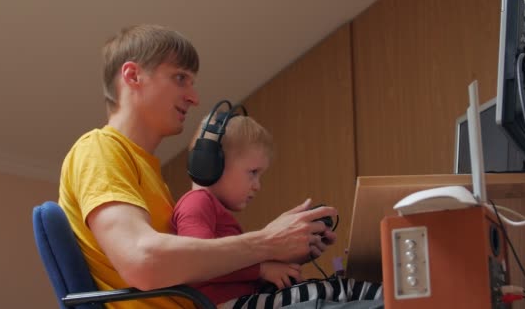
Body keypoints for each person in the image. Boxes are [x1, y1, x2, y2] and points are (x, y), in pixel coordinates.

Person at [57, 24, 337, 309]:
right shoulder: (99, 149)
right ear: (133, 75)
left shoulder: (148, 173)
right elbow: (142, 260)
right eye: (180, 78)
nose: (194, 98)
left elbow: (187, 267)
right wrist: (267, 242)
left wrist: (280, 253)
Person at [172, 112, 383, 309]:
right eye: (253, 172)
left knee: (338, 289)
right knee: (337, 290)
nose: (257, 185)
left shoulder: (209, 207)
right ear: (212, 165)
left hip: (245, 301)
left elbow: (230, 266)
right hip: (230, 305)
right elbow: (199, 263)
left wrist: (293, 256)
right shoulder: (196, 202)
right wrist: (262, 269)